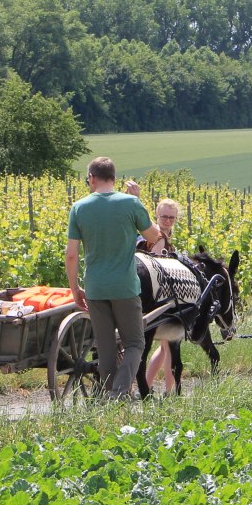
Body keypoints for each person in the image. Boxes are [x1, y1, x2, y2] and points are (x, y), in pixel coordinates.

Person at [66, 157, 162, 399]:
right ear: (114, 179)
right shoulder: (131, 203)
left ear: (91, 178)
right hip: (125, 287)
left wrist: (75, 288)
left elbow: (71, 255)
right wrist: (139, 202)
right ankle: (118, 394)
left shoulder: (79, 208)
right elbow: (154, 236)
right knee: (135, 344)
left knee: (105, 346)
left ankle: (110, 394)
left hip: (96, 288)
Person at [137, 197, 182, 393]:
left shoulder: (165, 235)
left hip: (158, 293)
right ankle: (170, 391)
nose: (168, 220)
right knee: (170, 346)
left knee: (164, 348)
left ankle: (146, 384)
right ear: (157, 215)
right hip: (157, 296)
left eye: (172, 217)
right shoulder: (158, 237)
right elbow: (156, 265)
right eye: (164, 216)